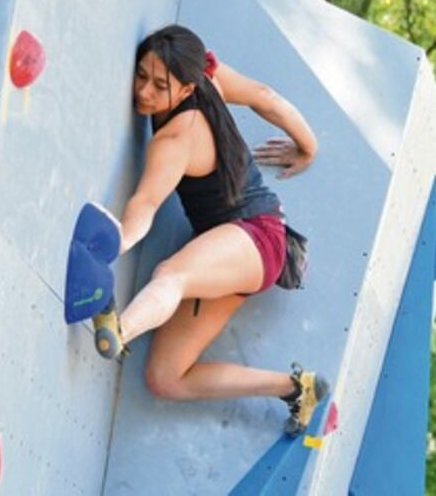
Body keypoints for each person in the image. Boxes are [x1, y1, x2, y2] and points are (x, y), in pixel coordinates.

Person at [94, 24, 327, 436]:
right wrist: (308, 145)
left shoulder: (176, 138)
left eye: (160, 86)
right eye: (141, 75)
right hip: (228, 248)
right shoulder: (205, 74)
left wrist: (118, 241)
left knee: (171, 275)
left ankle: (119, 330)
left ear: (187, 88)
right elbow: (263, 96)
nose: (144, 92)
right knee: (165, 378)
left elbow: (145, 205)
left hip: (257, 237)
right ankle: (296, 389)